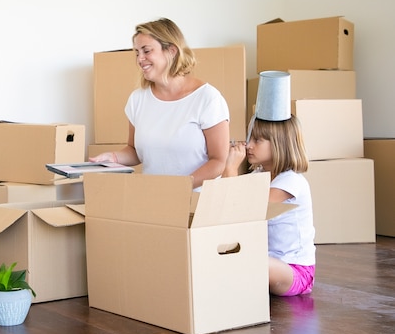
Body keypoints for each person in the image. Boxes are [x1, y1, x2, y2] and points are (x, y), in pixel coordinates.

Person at [89, 18, 230, 189]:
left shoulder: (207, 98)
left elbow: (218, 161)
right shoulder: (138, 99)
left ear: (171, 51)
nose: (140, 59)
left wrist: (179, 186)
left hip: (196, 202)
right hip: (154, 199)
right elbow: (134, 151)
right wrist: (113, 158)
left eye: (146, 51)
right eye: (136, 53)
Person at [223, 115, 316, 296]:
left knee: (246, 261)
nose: (249, 145)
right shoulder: (259, 178)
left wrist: (231, 169)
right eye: (249, 138)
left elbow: (244, 210)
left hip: (294, 271)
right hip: (268, 262)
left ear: (279, 143)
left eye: (257, 140)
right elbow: (226, 203)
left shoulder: (291, 182)